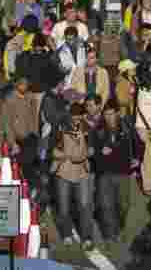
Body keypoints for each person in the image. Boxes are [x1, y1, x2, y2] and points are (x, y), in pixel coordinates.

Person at [92, 101, 142, 242]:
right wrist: (100, 152)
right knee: (106, 205)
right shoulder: (98, 130)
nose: (108, 117)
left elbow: (139, 144)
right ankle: (110, 234)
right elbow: (92, 152)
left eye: (111, 114)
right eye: (106, 114)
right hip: (104, 173)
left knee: (123, 205)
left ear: (117, 113)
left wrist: (138, 159)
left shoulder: (127, 127)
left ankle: (119, 228)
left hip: (123, 172)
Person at [51, 104, 96, 250]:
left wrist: (87, 153)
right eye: (74, 115)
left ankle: (87, 237)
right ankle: (66, 234)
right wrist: (65, 155)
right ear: (70, 115)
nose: (77, 118)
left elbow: (92, 148)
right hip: (64, 172)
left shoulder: (88, 129)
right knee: (63, 207)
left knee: (85, 205)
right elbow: (52, 150)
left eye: (80, 115)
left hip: (82, 171)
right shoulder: (60, 128)